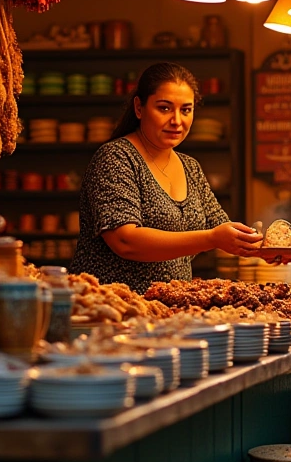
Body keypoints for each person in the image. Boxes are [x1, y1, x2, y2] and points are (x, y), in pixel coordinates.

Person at [71, 63, 270, 293]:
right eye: (165, 108)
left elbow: (221, 227)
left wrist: (265, 249)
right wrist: (213, 238)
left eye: (186, 110)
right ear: (139, 107)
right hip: (112, 309)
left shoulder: (190, 167)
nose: (177, 120)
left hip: (169, 312)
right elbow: (125, 241)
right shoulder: (116, 158)